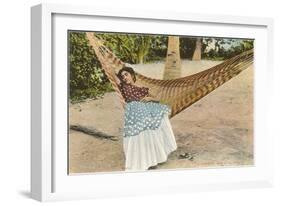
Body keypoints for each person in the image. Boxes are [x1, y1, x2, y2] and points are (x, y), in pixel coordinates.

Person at [115, 66, 177, 171]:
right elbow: (113, 76)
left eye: (126, 74)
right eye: (122, 76)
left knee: (160, 119)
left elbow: (157, 99)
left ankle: (155, 157)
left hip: (147, 107)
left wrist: (149, 98)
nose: (124, 78)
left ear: (132, 75)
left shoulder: (141, 88)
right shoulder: (123, 87)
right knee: (144, 128)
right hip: (134, 108)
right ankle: (145, 160)